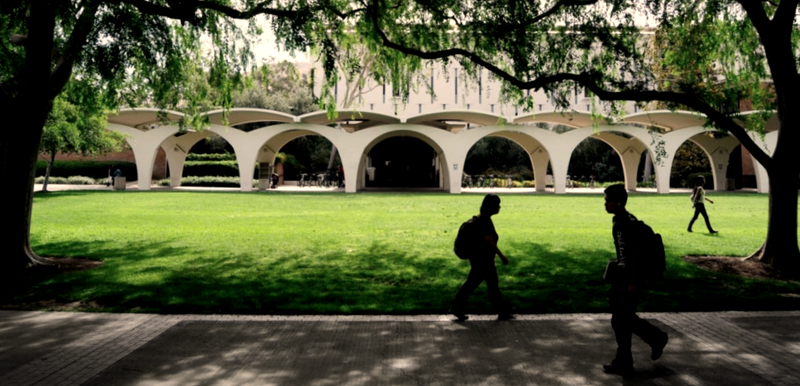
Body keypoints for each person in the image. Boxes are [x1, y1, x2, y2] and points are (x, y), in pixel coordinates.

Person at [603, 184, 668, 375]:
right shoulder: (618, 220)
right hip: (621, 276)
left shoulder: (628, 223)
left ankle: (656, 338)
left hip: (630, 279)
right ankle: (628, 359)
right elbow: (624, 253)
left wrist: (633, 282)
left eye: (608, 201)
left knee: (622, 319)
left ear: (619, 202)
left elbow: (637, 255)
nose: (605, 204)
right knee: (620, 320)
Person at [450, 193, 514, 321]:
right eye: (498, 205)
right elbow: (489, 242)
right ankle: (456, 308)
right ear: (492, 206)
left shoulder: (482, 218)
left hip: (480, 258)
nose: (499, 207)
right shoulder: (485, 221)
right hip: (483, 260)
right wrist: (502, 256)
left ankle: (501, 311)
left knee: (488, 285)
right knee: (476, 285)